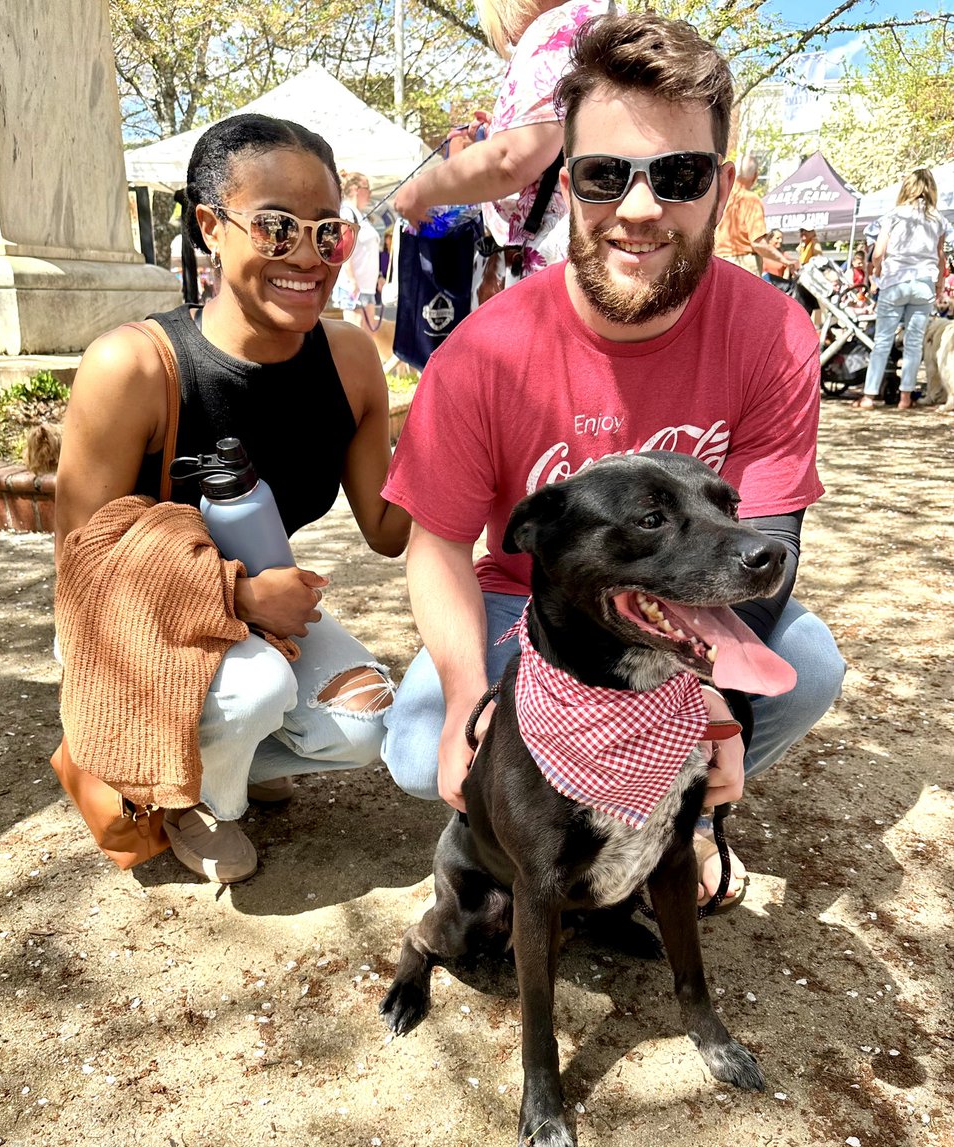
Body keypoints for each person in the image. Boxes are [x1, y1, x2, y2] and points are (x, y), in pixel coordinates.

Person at [381, 11, 845, 911]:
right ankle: (545, 817)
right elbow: (434, 545)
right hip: (531, 600)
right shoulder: (482, 353)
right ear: (566, 184)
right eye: (604, 176)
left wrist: (707, 698)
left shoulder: (775, 332)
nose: (639, 209)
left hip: (686, 587)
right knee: (416, 741)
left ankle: (680, 812)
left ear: (722, 185)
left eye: (679, 175)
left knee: (808, 663)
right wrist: (474, 699)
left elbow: (770, 536)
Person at [54, 115, 410, 883]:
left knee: (369, 718)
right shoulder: (136, 368)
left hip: (259, 615)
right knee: (258, 688)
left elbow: (386, 529)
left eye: (328, 232)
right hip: (132, 623)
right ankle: (187, 800)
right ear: (213, 228)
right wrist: (239, 596)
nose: (308, 257)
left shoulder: (347, 359)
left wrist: (465, 435)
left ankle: (228, 759)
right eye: (278, 229)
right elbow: (80, 572)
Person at [394, 0, 608, 299]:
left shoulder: (559, 28)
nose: (508, 39)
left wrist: (417, 192)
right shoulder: (602, 21)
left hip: (560, 268)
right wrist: (496, 130)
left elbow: (509, 160)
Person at [854, 168, 948, 410]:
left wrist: (876, 272)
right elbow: (940, 257)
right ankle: (906, 397)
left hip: (895, 281)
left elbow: (878, 252)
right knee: (914, 342)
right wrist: (938, 286)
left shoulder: (894, 215)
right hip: (924, 283)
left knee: (883, 341)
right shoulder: (937, 219)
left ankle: (869, 396)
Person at [713, 156, 796, 276]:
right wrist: (785, 261)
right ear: (755, 176)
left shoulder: (721, 197)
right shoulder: (751, 200)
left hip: (718, 261)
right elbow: (758, 243)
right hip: (743, 265)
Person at [332, 171, 382, 334]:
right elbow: (344, 249)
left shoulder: (361, 216)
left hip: (367, 287)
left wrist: (379, 277)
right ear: (355, 189)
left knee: (367, 338)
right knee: (356, 338)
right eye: (367, 188)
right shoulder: (347, 212)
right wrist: (352, 279)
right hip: (354, 287)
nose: (370, 193)